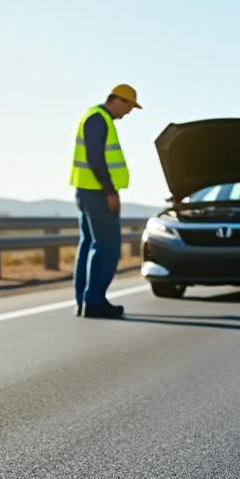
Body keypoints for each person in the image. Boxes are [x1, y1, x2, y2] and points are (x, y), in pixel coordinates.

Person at [70, 83, 141, 318]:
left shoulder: (94, 116)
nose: (129, 112)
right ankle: (95, 301)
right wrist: (110, 192)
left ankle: (84, 301)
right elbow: (95, 158)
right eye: (130, 106)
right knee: (107, 247)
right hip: (98, 193)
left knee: (89, 245)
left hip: (87, 191)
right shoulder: (99, 119)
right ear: (119, 100)